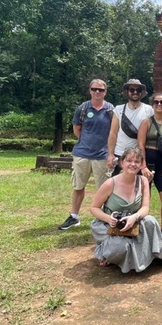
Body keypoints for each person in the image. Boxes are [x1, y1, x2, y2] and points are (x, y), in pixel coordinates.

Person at [89, 147, 162, 272]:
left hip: (133, 222)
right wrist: (108, 219)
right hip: (110, 225)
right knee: (119, 247)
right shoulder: (110, 183)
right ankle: (104, 250)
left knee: (151, 221)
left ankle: (154, 256)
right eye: (129, 160)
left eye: (137, 161)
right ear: (122, 162)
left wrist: (134, 217)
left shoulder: (143, 181)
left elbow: (145, 208)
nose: (133, 164)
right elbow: (94, 208)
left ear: (141, 164)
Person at [58, 79, 114, 230]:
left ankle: (103, 218)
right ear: (90, 90)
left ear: (105, 92)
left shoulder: (110, 110)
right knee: (78, 186)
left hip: (102, 155)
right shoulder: (83, 108)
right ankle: (74, 216)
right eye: (94, 89)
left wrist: (110, 152)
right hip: (82, 153)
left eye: (101, 90)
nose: (97, 92)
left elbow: (114, 132)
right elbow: (77, 129)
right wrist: (86, 142)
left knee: (104, 189)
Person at [137, 93, 162, 239]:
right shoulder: (146, 122)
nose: (159, 104)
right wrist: (143, 166)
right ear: (152, 105)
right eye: (156, 102)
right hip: (147, 162)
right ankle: (138, 228)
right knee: (141, 199)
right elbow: (140, 144)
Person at [108, 79, 154, 179]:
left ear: (142, 92)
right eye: (132, 90)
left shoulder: (149, 110)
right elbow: (113, 133)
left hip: (139, 156)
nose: (135, 92)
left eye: (138, 90)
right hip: (121, 154)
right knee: (118, 187)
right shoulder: (118, 110)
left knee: (138, 188)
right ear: (127, 92)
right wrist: (110, 154)